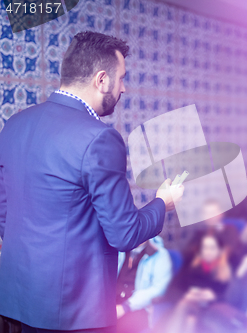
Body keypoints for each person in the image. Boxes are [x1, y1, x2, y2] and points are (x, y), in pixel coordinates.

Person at [0, 31, 184, 332]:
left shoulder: (14, 125)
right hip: (73, 309)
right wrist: (163, 202)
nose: (124, 88)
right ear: (101, 80)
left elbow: (4, 209)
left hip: (18, 298)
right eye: (121, 78)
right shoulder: (99, 138)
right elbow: (125, 234)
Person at [162, 231, 232, 333]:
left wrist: (214, 297)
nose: (208, 251)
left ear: (220, 250)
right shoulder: (191, 267)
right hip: (186, 306)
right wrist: (186, 296)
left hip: (211, 310)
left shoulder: (225, 273)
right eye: (205, 248)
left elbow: (232, 301)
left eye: (212, 248)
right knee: (186, 310)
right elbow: (171, 290)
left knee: (190, 319)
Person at [116, 236, 173, 333]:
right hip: (111, 303)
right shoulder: (117, 248)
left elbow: (158, 289)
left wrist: (125, 307)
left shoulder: (160, 254)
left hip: (137, 307)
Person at [182, 199, 245, 270]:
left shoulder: (229, 230)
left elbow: (232, 251)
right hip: (201, 270)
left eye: (213, 213)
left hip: (225, 270)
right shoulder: (200, 234)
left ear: (220, 214)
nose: (210, 216)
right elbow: (187, 253)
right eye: (207, 213)